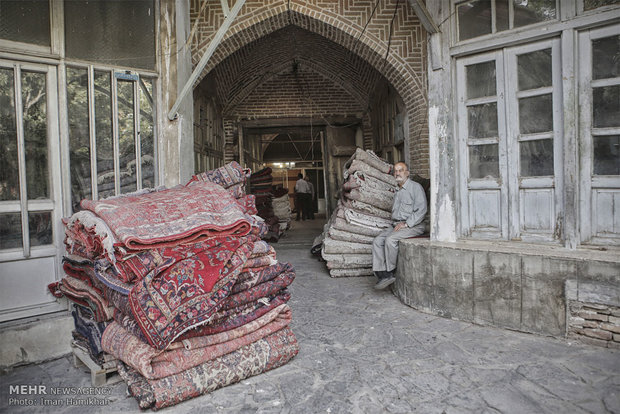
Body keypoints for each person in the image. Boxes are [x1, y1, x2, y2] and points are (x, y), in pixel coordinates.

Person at [372, 161, 427, 290]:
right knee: (377, 241)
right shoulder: (397, 190)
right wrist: (399, 224)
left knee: (390, 240)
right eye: (396, 171)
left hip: (414, 225)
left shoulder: (415, 187)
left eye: (401, 170)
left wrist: (407, 224)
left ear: (407, 173)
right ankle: (382, 274)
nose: (397, 173)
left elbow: (422, 210)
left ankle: (390, 272)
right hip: (397, 225)